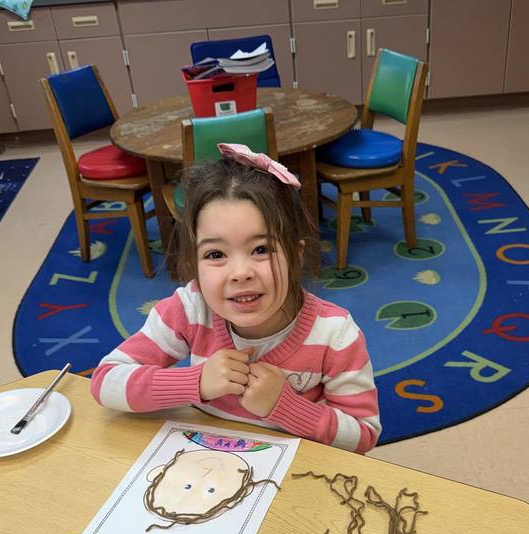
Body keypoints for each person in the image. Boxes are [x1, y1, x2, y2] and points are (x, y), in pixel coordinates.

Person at [90, 143, 381, 453]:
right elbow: (105, 381)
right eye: (215, 254)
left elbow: (363, 435)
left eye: (261, 249)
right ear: (194, 262)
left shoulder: (335, 334)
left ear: (295, 256)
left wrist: (284, 406)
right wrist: (196, 382)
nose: (240, 273)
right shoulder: (190, 309)